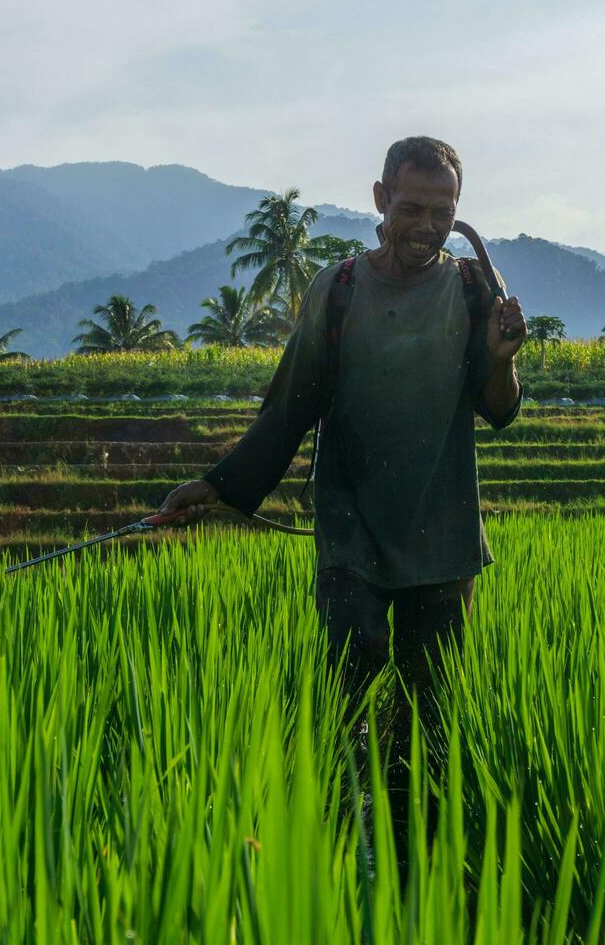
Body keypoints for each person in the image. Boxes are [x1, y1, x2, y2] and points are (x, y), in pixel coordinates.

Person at [157, 135, 526, 819]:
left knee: (431, 707)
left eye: (442, 212)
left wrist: (502, 359)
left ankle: (416, 842)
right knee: (350, 674)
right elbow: (291, 404)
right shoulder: (341, 288)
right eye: (411, 208)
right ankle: (332, 829)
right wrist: (218, 484)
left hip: (442, 530)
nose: (427, 226)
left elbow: (497, 409)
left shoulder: (473, 290)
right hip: (352, 522)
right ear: (381, 200)